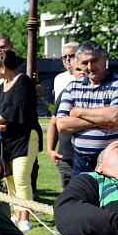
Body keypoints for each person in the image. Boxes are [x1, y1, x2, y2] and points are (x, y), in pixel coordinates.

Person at [56, 40, 118, 235]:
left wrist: (80, 112)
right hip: (82, 161)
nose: (90, 67)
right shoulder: (72, 85)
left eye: (94, 61)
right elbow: (62, 125)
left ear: (105, 59)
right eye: (84, 63)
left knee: (116, 216)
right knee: (79, 217)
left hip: (116, 163)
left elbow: (115, 118)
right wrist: (98, 116)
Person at [0, 51, 43, 231]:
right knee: (10, 178)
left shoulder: (24, 81)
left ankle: (25, 217)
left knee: (21, 176)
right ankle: (17, 213)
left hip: (25, 137)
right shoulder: (2, 85)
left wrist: (0, 119)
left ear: (2, 67)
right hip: (8, 139)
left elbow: (20, 108)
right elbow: (0, 110)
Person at [47, 53, 83, 189]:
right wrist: (50, 150)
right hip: (66, 158)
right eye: (78, 69)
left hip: (89, 158)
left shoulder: (99, 92)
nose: (82, 73)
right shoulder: (66, 92)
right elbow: (53, 123)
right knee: (67, 199)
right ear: (72, 71)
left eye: (83, 68)